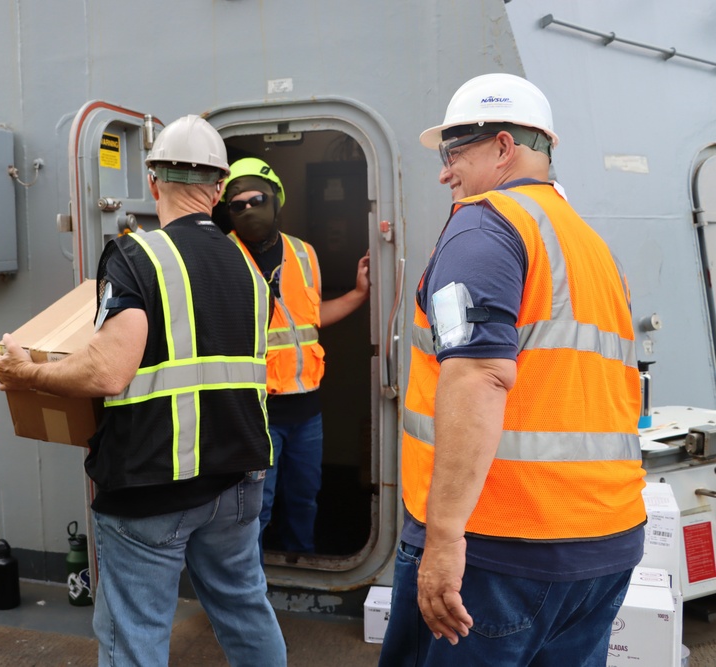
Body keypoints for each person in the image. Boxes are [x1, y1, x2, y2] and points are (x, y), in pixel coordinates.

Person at [0, 115, 287, 666]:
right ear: (219, 188)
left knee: (136, 635)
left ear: (154, 183)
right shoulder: (249, 270)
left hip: (153, 485)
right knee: (246, 609)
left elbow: (107, 372)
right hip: (239, 480)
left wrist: (26, 373)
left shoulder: (137, 255)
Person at [378, 73, 646, 666]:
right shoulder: (593, 247)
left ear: (503, 147)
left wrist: (445, 539)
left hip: (503, 547)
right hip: (603, 539)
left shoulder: (484, 226)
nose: (445, 171)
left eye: (455, 152)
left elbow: (479, 377)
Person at [222, 157, 369, 555]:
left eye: (257, 198)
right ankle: (249, 589)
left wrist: (357, 294)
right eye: (238, 204)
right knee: (256, 508)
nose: (249, 208)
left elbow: (309, 318)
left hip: (307, 412)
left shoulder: (304, 253)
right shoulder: (223, 257)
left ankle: (299, 559)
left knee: (305, 500)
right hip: (257, 413)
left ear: (276, 200)